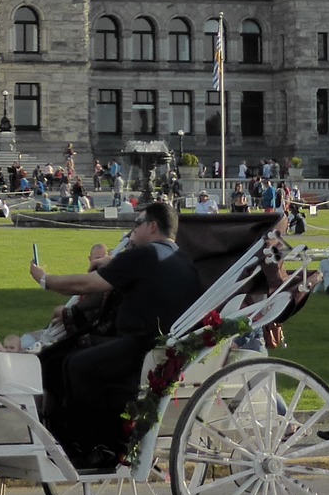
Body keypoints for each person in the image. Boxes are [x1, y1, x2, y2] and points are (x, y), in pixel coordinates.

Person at [30, 200, 202, 470]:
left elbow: (89, 284)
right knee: (57, 358)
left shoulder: (146, 253)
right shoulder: (182, 258)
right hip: (160, 347)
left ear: (152, 226)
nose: (133, 230)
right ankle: (69, 440)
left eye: (138, 223)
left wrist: (44, 279)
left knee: (76, 365)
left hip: (140, 344)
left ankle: (97, 445)